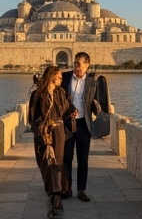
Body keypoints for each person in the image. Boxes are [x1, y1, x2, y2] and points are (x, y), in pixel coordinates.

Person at [29, 65, 73, 218]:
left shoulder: (61, 93)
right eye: (59, 77)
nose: (62, 79)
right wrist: (43, 134)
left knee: (56, 163)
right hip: (43, 134)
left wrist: (73, 112)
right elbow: (32, 119)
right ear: (51, 77)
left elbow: (68, 109)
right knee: (46, 164)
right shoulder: (37, 95)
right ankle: (57, 190)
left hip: (58, 133)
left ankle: (56, 199)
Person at [61, 53, 102, 203]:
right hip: (68, 124)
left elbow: (99, 99)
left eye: (79, 64)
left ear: (87, 65)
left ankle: (81, 190)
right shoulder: (64, 77)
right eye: (75, 63)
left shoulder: (93, 81)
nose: (76, 66)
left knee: (83, 159)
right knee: (66, 158)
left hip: (84, 125)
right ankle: (67, 188)